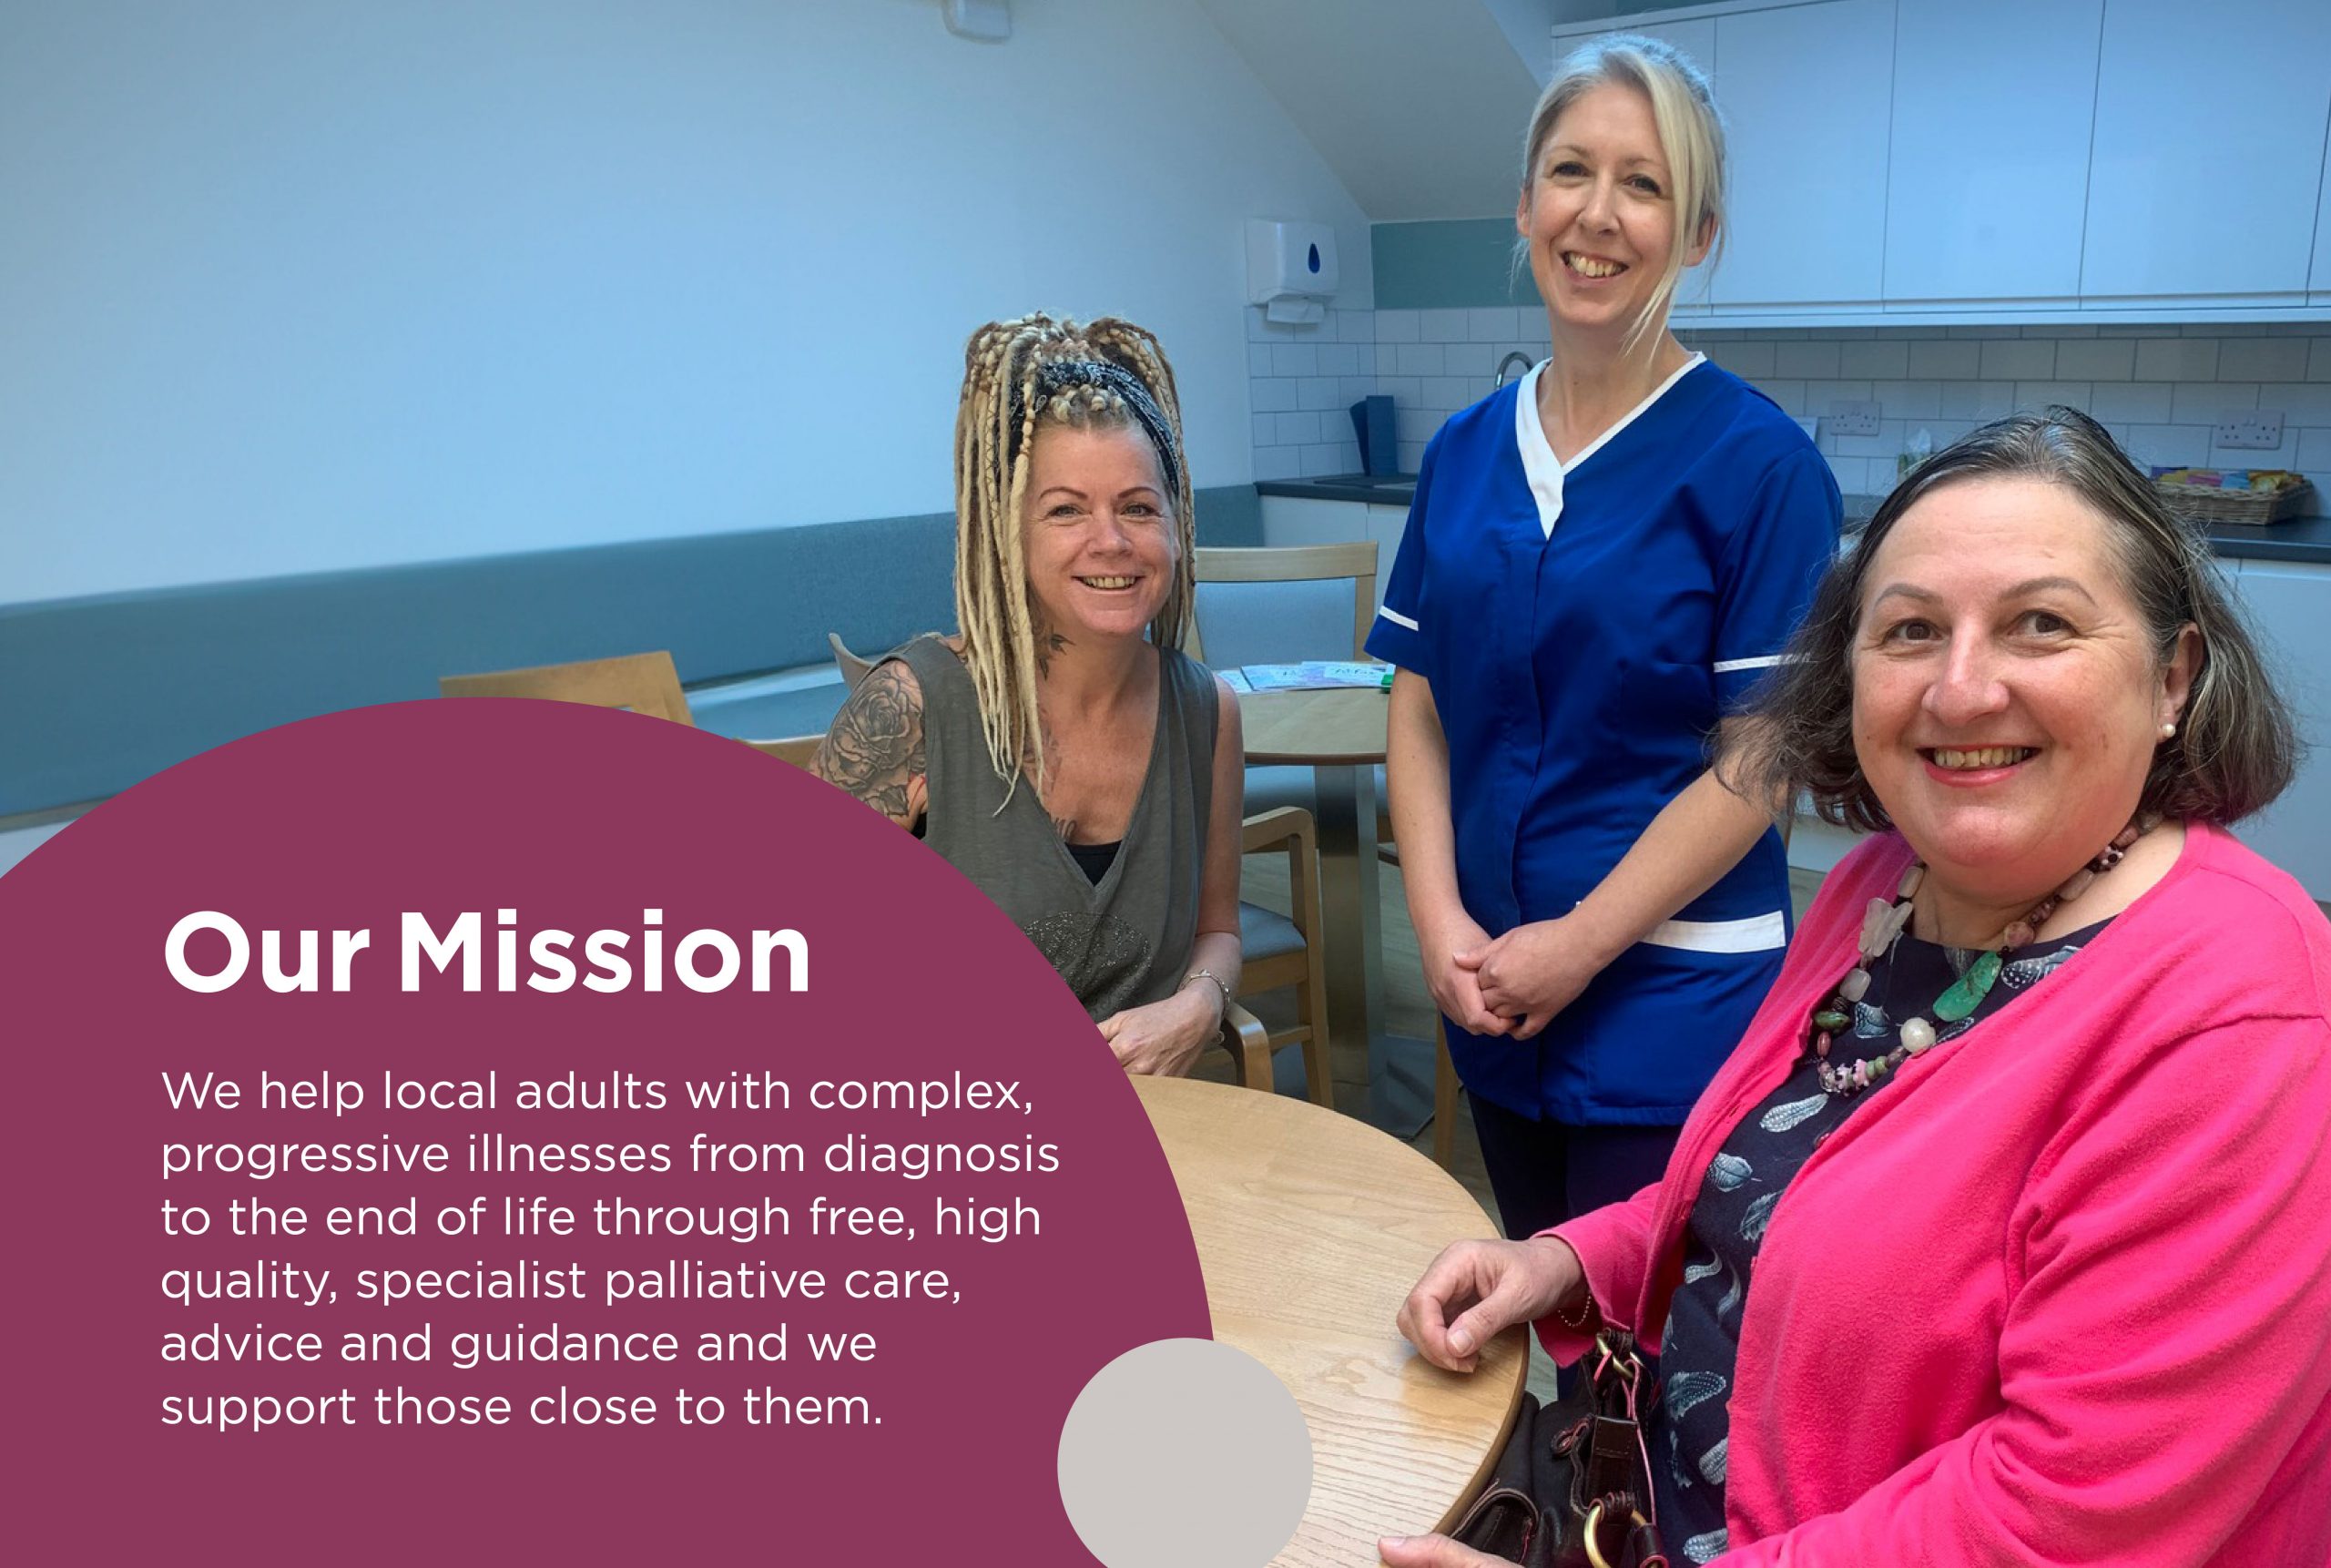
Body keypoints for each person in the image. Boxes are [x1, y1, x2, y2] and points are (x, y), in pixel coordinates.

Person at [1384, 408, 2331, 1567]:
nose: (1962, 687)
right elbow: (1774, 1197)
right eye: (1910, 631)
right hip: (1640, 1491)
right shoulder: (1885, 888)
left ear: (2172, 674)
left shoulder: (2239, 1013)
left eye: (2041, 624)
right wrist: (1576, 1262)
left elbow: (2062, 1525)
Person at [1368, 36, 1840, 1241]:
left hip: (1668, 996)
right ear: (1525, 206)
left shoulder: (1759, 467)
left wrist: (1578, 944)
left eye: (1645, 183)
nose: (1599, 213)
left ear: (1698, 234)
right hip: (1493, 988)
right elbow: (1420, 699)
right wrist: (1436, 922)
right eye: (1572, 171)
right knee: (1534, 1299)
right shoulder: (1465, 453)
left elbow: (1762, 760)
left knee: (1638, 1362)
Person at [811, 314, 1246, 1078]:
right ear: (1008, 533)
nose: (1110, 540)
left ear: (1177, 528)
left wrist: (1201, 1005)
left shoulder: (1206, 712)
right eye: (1066, 509)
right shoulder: (913, 708)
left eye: (1140, 507)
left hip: (1158, 1135)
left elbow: (1219, 929)